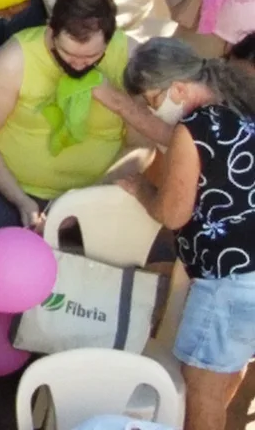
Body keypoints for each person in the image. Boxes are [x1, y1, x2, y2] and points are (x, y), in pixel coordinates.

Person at [117, 39, 255, 430]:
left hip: (231, 280)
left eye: (151, 99)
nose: (151, 108)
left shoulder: (194, 127)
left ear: (177, 88)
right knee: (228, 370)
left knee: (202, 387)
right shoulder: (243, 109)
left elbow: (174, 213)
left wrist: (143, 190)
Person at [0, 0, 133, 230]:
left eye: (92, 56)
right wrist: (21, 201)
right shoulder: (14, 59)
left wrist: (94, 198)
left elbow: (142, 144)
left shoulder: (128, 56)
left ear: (110, 39)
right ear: (51, 32)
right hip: (15, 191)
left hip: (101, 194)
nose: (78, 64)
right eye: (68, 53)